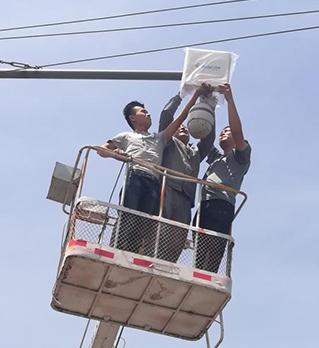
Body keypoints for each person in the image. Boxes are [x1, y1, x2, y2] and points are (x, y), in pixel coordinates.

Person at [99, 91, 204, 254]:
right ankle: (118, 251)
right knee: (129, 216)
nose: (148, 114)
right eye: (143, 112)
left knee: (146, 223)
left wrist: (194, 97)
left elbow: (180, 118)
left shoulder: (159, 138)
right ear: (132, 118)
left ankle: (133, 253)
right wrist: (117, 154)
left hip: (155, 182)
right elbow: (102, 150)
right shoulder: (126, 136)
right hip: (136, 176)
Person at [157, 85, 215, 263]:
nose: (182, 129)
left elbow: (209, 138)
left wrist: (208, 105)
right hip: (166, 189)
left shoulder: (195, 153)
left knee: (178, 238)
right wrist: (182, 95)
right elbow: (166, 115)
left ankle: (167, 266)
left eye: (185, 128)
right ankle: (150, 258)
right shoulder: (167, 143)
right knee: (159, 229)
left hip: (185, 199)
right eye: (179, 127)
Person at [196, 84, 250, 273]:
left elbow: (237, 131)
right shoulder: (216, 158)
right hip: (205, 205)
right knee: (199, 252)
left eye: (226, 132)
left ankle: (209, 276)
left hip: (221, 204)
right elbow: (206, 138)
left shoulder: (240, 157)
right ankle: (200, 275)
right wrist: (207, 104)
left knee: (213, 250)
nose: (223, 133)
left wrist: (229, 100)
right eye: (222, 132)